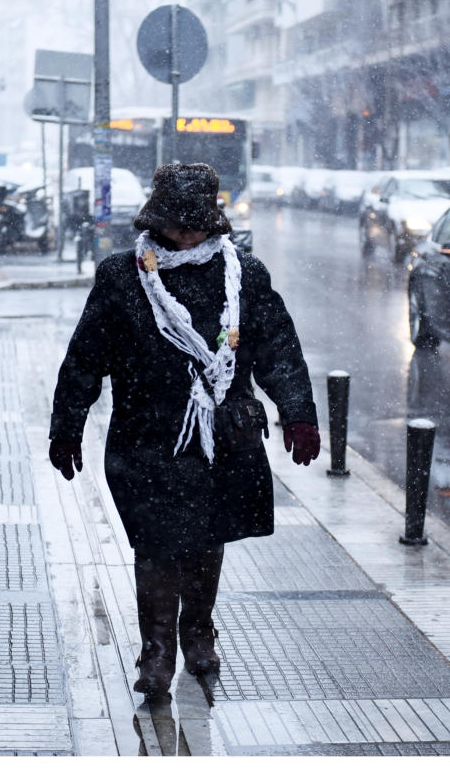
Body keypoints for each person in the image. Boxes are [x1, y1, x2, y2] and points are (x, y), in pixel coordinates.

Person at [48, 162, 320, 699]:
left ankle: (198, 630)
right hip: (146, 437)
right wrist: (67, 425)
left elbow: (278, 349)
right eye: (178, 223)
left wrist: (299, 412)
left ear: (214, 223)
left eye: (198, 225)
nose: (188, 234)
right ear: (158, 219)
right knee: (155, 545)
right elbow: (85, 357)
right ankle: (156, 651)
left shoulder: (243, 273)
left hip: (223, 438)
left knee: (204, 540)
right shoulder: (123, 276)